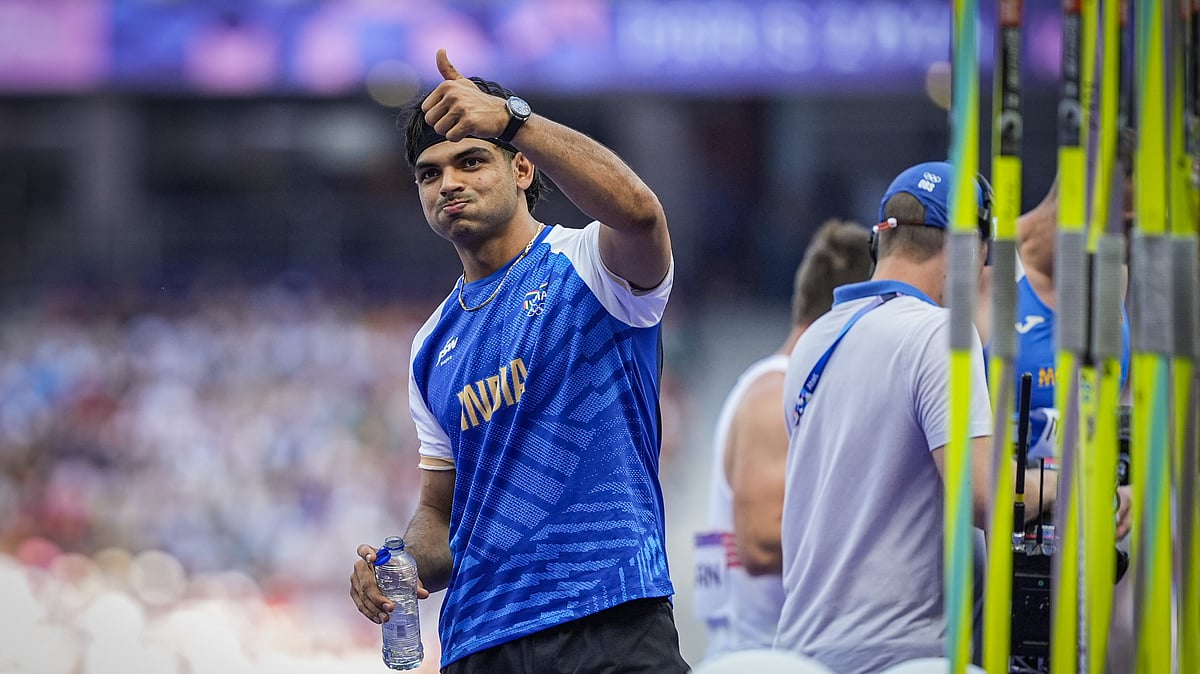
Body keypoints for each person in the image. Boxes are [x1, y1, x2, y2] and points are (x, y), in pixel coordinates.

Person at [348, 49, 687, 673]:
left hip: (608, 613)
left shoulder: (592, 264)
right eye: (429, 174)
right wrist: (400, 561)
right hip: (481, 640)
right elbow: (439, 514)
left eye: (471, 160)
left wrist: (512, 118)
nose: (449, 183)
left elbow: (641, 213)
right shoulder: (430, 346)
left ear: (523, 168)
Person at [773, 161, 1057, 674]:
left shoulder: (813, 341)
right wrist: (1064, 482)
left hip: (801, 654)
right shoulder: (939, 335)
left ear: (881, 243)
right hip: (901, 657)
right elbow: (984, 497)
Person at [694, 219, 871, 662]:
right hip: (761, 655)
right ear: (848, 315)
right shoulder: (779, 396)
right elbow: (762, 544)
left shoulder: (783, 390)